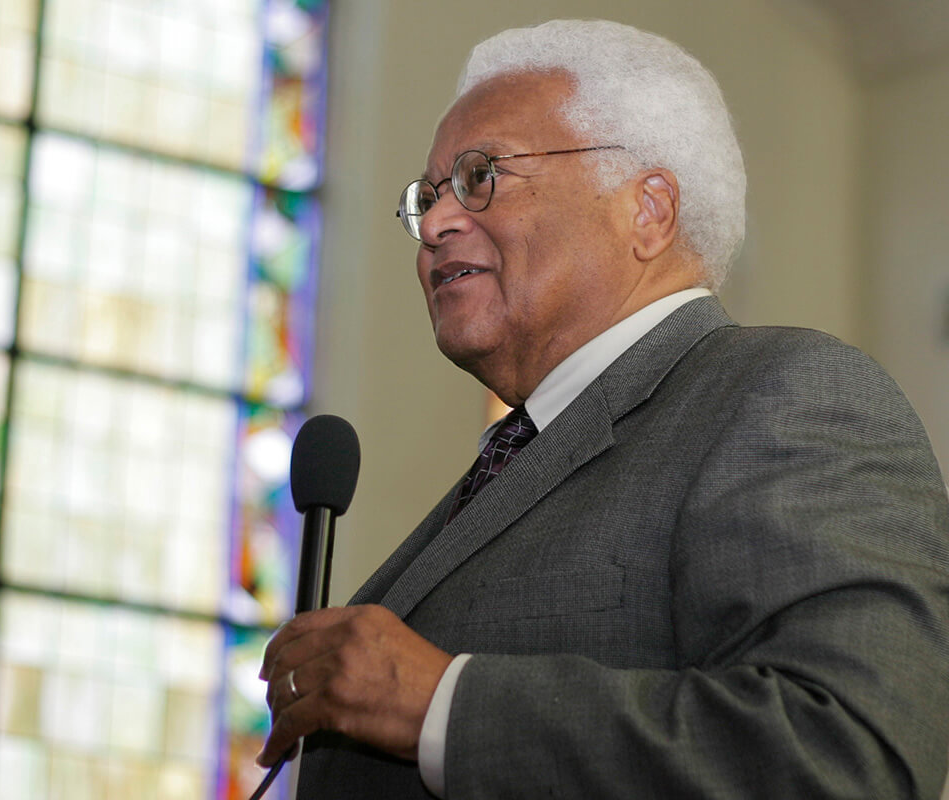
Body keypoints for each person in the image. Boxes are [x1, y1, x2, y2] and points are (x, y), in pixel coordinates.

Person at [256, 19, 949, 799]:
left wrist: (442, 704)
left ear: (647, 210)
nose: (439, 223)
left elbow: (854, 754)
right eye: (428, 197)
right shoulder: (519, 452)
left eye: (481, 176)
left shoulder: (787, 393)